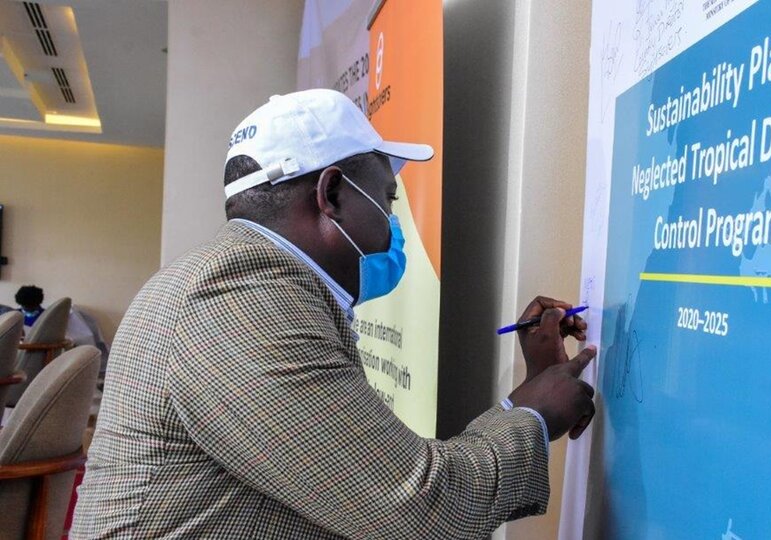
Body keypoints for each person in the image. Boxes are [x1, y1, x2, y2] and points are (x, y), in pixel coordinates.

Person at [72, 89, 596, 539]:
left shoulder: (217, 276)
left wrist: (526, 399)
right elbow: (421, 509)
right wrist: (533, 414)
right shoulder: (242, 300)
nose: (392, 229)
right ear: (333, 195)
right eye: (388, 204)